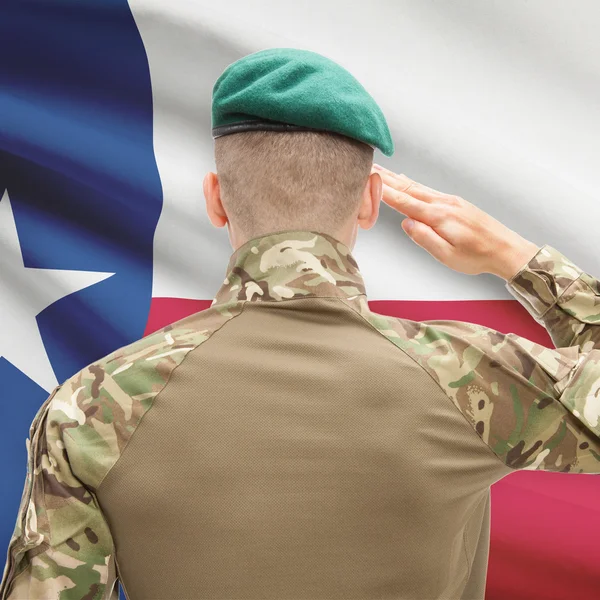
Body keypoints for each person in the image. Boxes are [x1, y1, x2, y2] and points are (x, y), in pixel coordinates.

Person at [1, 47, 598, 600]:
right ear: (369, 201)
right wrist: (519, 261)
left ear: (216, 199)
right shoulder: (472, 377)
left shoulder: (92, 407)